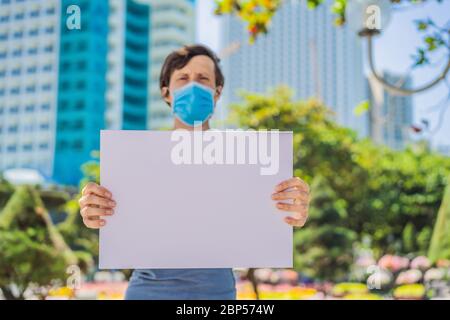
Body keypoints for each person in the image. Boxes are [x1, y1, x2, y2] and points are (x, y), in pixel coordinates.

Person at [79, 44, 310, 300]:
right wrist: (94, 211)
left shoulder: (245, 162)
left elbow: (270, 220)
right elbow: (112, 220)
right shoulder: (139, 161)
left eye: (203, 79)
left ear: (217, 92)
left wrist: (294, 210)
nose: (193, 86)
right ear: (166, 93)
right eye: (183, 78)